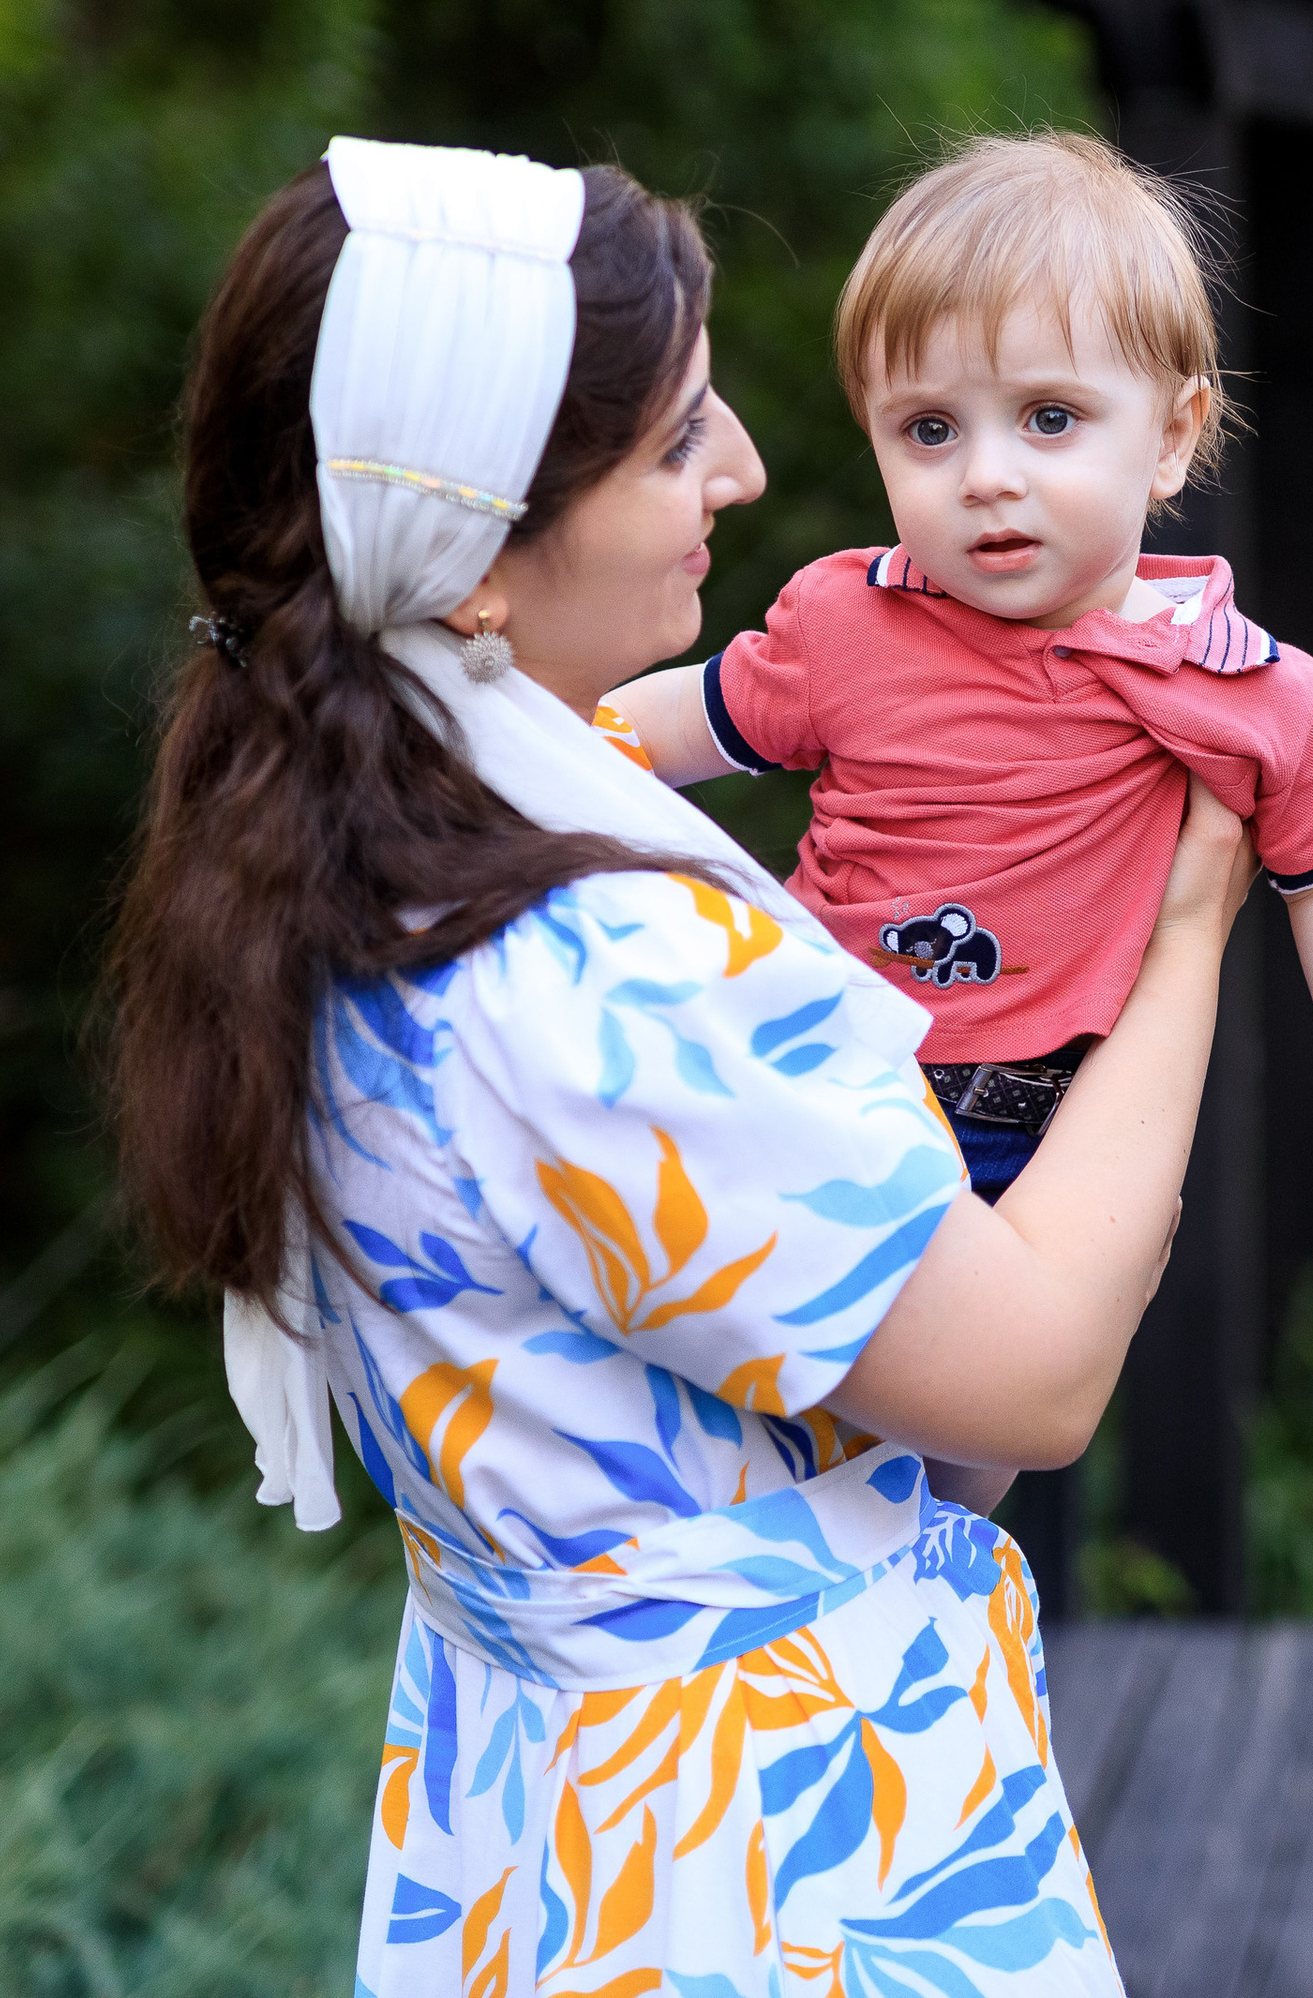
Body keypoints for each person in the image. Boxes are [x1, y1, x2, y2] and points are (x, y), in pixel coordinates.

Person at [110, 138, 1255, 1994]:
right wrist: (1193, 922)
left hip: (552, 1813)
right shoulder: (593, 965)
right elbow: (1028, 1379)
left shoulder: (334, 846)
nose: (745, 471)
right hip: (767, 1857)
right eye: (674, 443)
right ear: (479, 550)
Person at [611, 131, 1313, 1203]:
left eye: (1049, 418)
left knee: (994, 1361)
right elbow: (668, 726)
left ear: (1169, 438)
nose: (987, 477)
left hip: (1050, 1133)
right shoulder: (846, 621)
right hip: (809, 1072)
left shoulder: (1253, 691)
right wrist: (505, 736)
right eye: (928, 429)